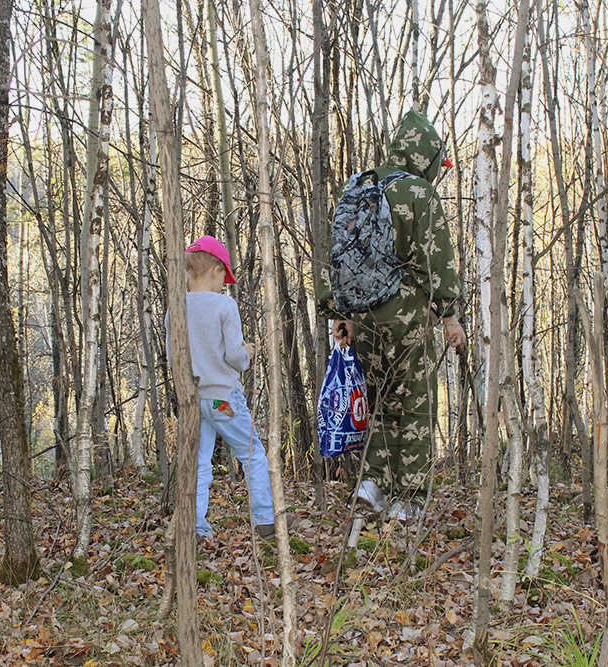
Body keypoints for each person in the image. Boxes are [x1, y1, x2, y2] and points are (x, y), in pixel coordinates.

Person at [316, 110, 466, 521]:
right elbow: (438, 262)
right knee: (414, 403)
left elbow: (337, 255)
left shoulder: (359, 185)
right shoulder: (419, 192)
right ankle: (409, 501)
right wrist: (449, 315)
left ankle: (372, 485)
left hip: (361, 315)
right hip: (406, 316)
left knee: (377, 399)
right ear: (426, 155)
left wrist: (339, 312)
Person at [165, 235, 290, 542]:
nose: (225, 283)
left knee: (200, 460)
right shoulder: (224, 305)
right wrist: (248, 353)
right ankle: (264, 519)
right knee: (252, 454)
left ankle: (196, 527)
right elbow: (233, 356)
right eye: (224, 276)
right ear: (215, 270)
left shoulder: (176, 308)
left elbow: (173, 357)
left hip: (196, 402)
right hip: (223, 401)